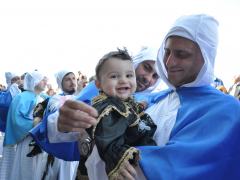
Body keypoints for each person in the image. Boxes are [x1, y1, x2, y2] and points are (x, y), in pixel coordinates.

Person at [49, 14, 240, 180]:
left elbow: (170, 169)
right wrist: (66, 124)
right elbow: (98, 131)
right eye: (167, 51)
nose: (169, 62)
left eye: (181, 54)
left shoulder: (225, 111)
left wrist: (113, 154)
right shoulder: (153, 100)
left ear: (206, 57)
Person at [30, 46, 163, 160]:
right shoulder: (100, 87)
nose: (148, 78)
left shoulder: (155, 102)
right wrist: (61, 124)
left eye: (155, 76)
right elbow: (70, 120)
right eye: (146, 67)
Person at [84, 48, 156, 179]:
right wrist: (118, 158)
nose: (123, 80)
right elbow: (107, 136)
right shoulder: (107, 107)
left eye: (129, 75)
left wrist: (139, 106)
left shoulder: (126, 100)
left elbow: (130, 111)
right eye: (114, 76)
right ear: (98, 84)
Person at [1, 71, 48, 180]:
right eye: (42, 79)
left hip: (39, 141)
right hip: (27, 141)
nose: (45, 82)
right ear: (35, 81)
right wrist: (36, 123)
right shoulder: (22, 97)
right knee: (26, 172)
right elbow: (17, 120)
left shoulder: (42, 97)